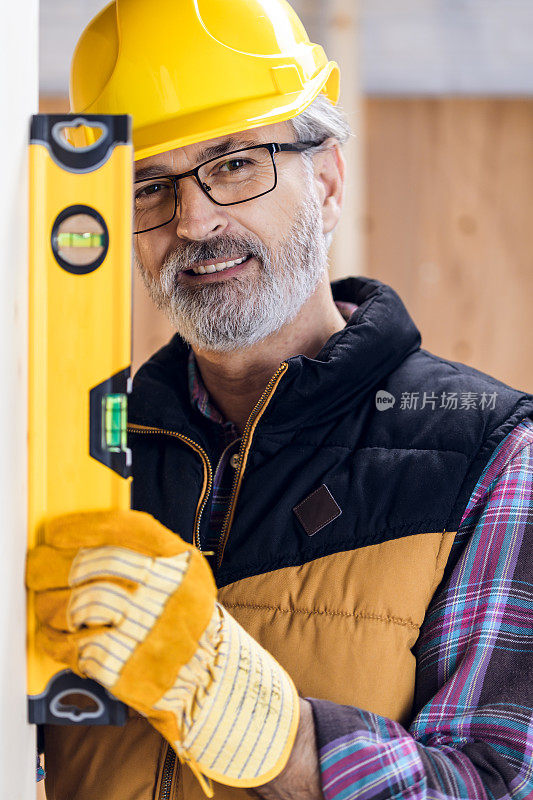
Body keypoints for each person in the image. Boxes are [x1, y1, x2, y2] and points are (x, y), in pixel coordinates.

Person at [28, 1, 533, 799]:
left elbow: (499, 783)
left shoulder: (490, 453)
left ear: (327, 181)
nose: (194, 218)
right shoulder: (65, 452)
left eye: (235, 164)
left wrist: (273, 735)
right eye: (149, 184)